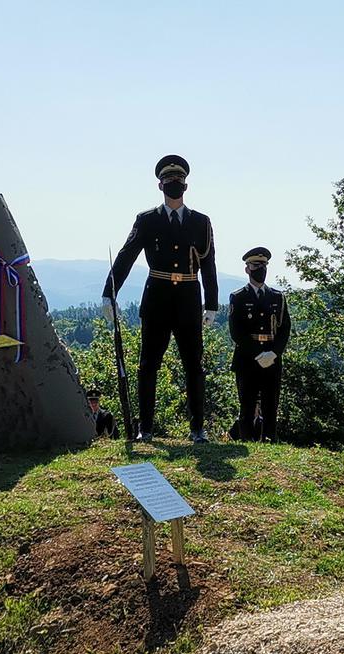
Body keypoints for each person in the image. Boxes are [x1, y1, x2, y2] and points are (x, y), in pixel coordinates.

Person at [101, 155, 217, 444]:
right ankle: (146, 429)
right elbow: (127, 256)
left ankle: (197, 428)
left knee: (194, 364)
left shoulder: (201, 222)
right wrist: (108, 292)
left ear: (186, 186)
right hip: (157, 298)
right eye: (169, 182)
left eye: (178, 182)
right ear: (160, 185)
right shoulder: (147, 220)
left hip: (189, 298)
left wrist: (212, 304)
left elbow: (209, 263)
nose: (174, 186)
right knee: (148, 364)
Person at [228, 247, 291, 442]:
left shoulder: (277, 297)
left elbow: (284, 329)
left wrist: (273, 353)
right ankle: (246, 440)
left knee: (271, 403)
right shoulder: (238, 297)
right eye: (256, 265)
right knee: (246, 404)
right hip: (248, 358)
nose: (260, 269)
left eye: (263, 265)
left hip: (272, 357)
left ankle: (269, 439)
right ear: (247, 269)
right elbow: (236, 332)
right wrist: (257, 354)